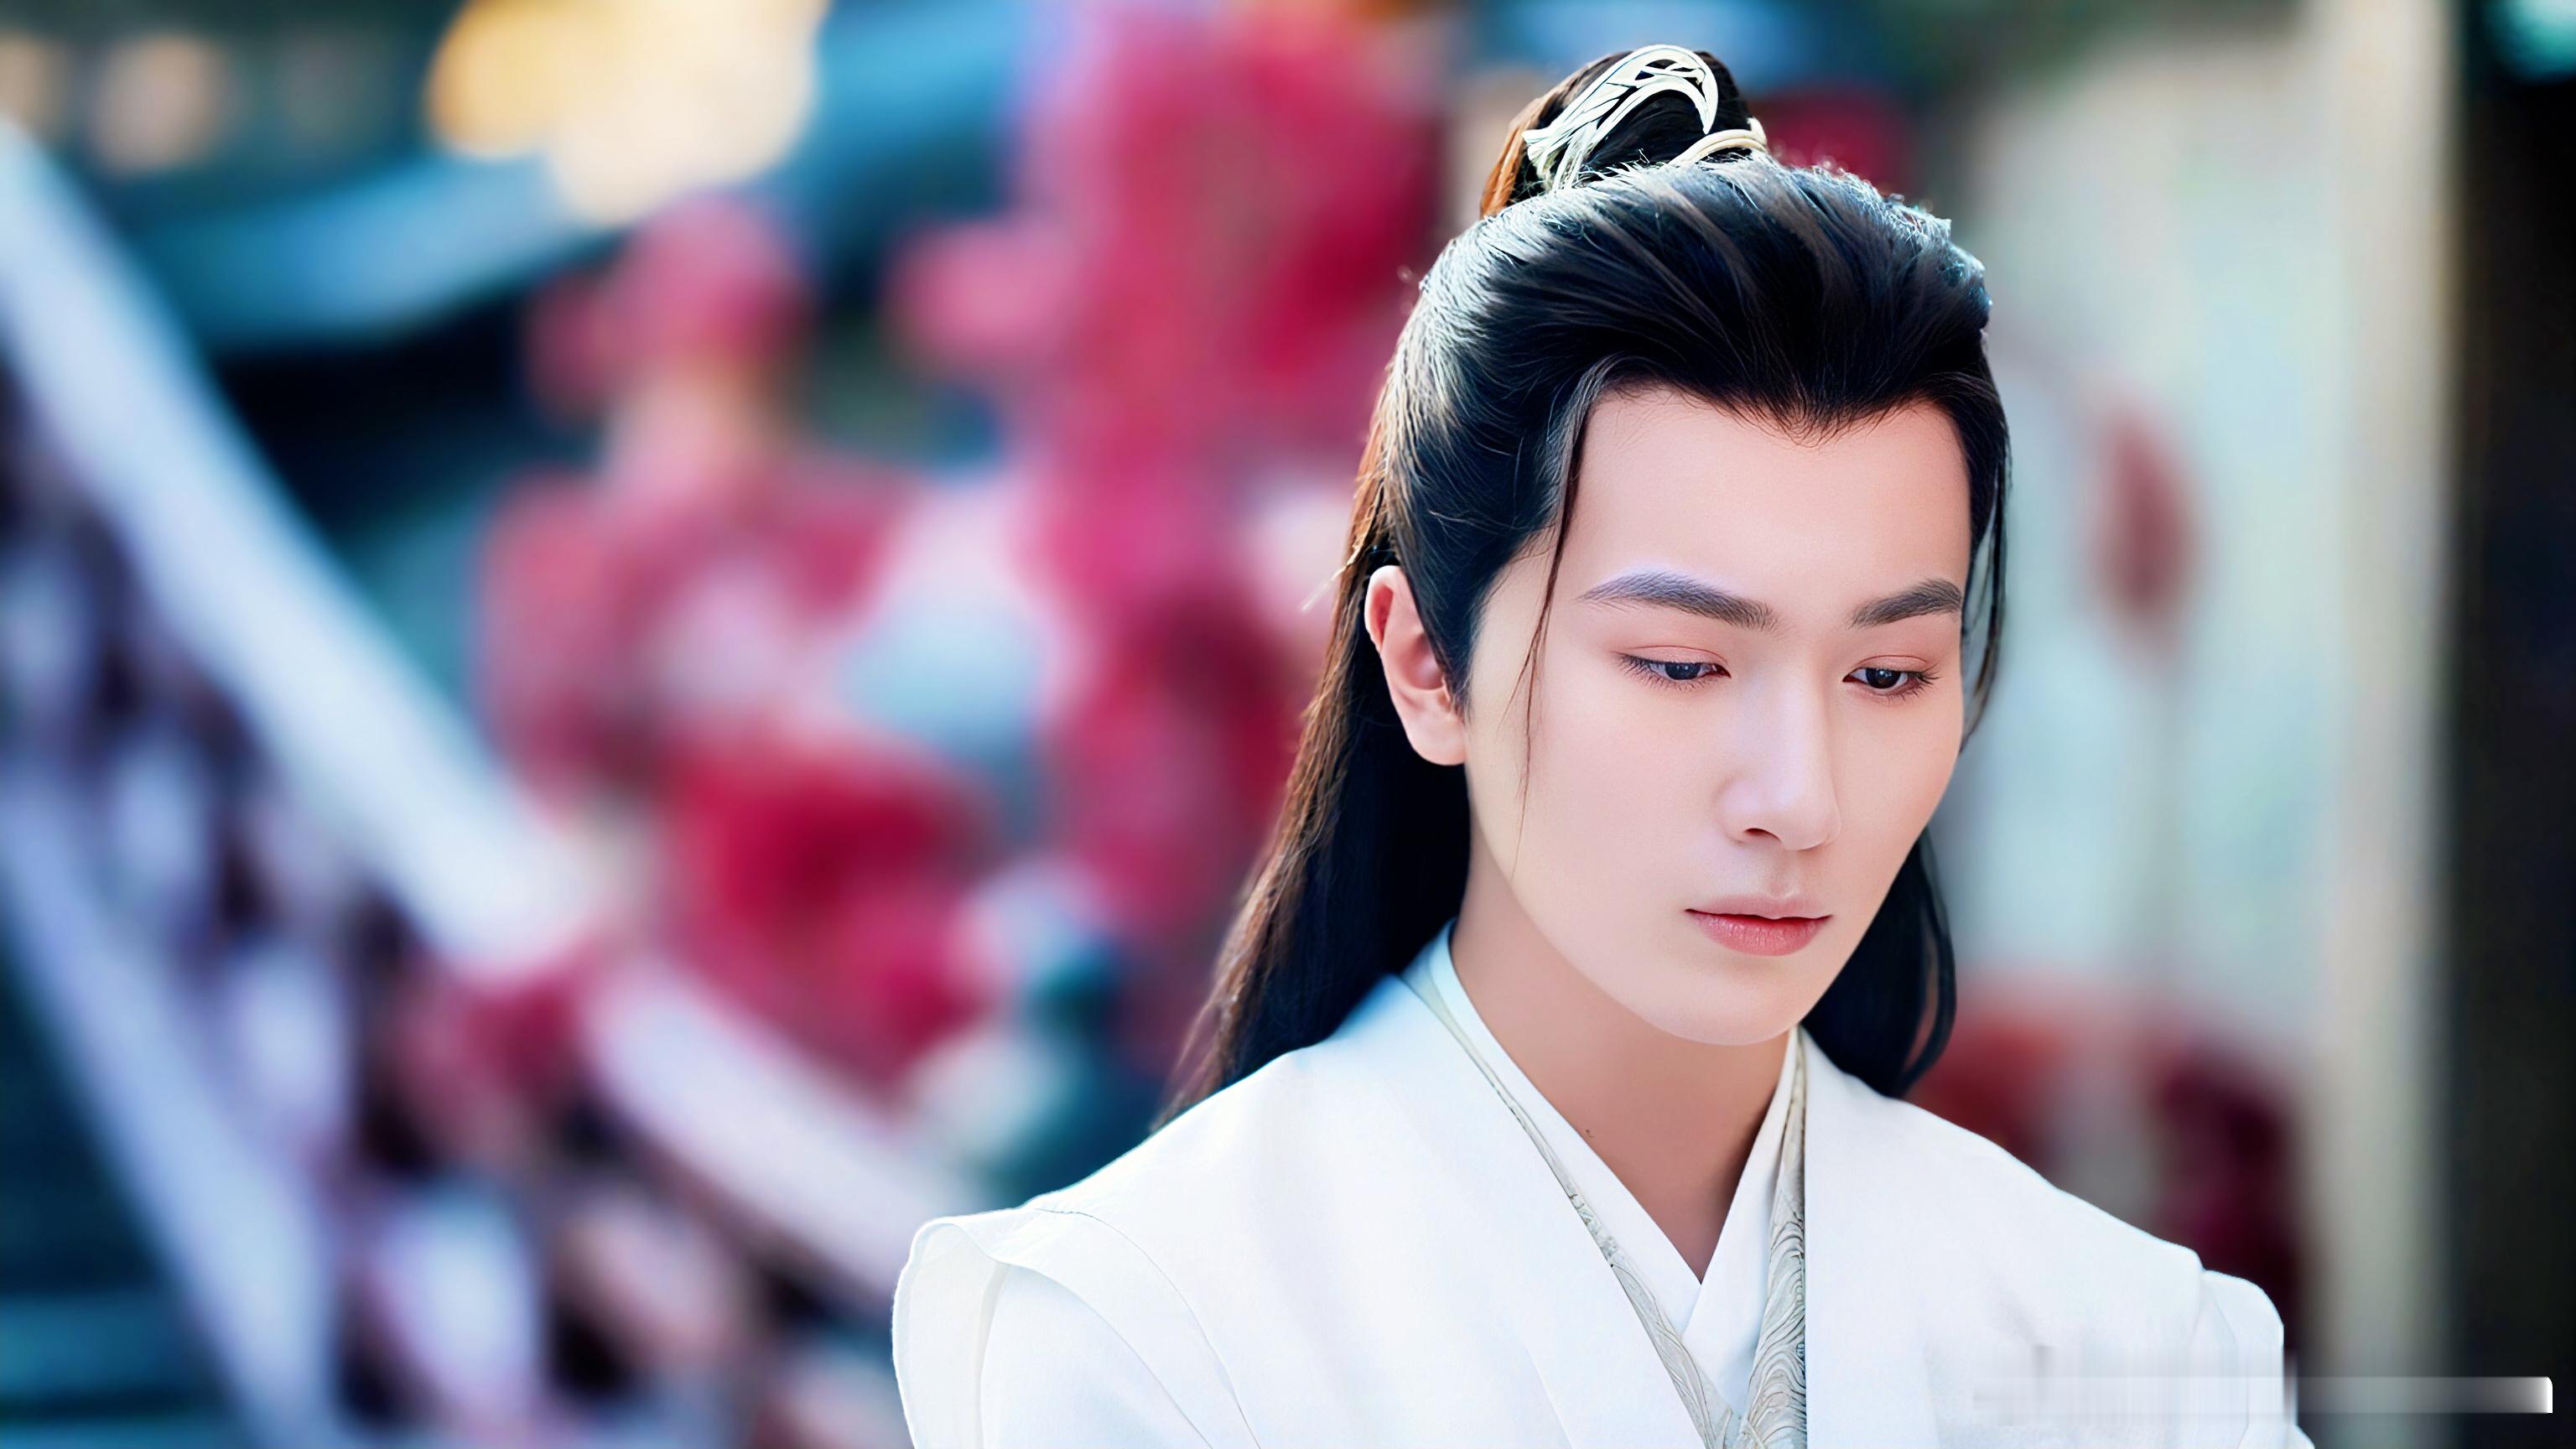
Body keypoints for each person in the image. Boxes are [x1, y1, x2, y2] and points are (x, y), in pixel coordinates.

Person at [890, 44, 2311, 1448]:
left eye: (1886, 674)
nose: (1799, 798)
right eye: (1681, 665)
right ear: (1426, 663)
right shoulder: (1149, 1332)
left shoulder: (2138, 1344)